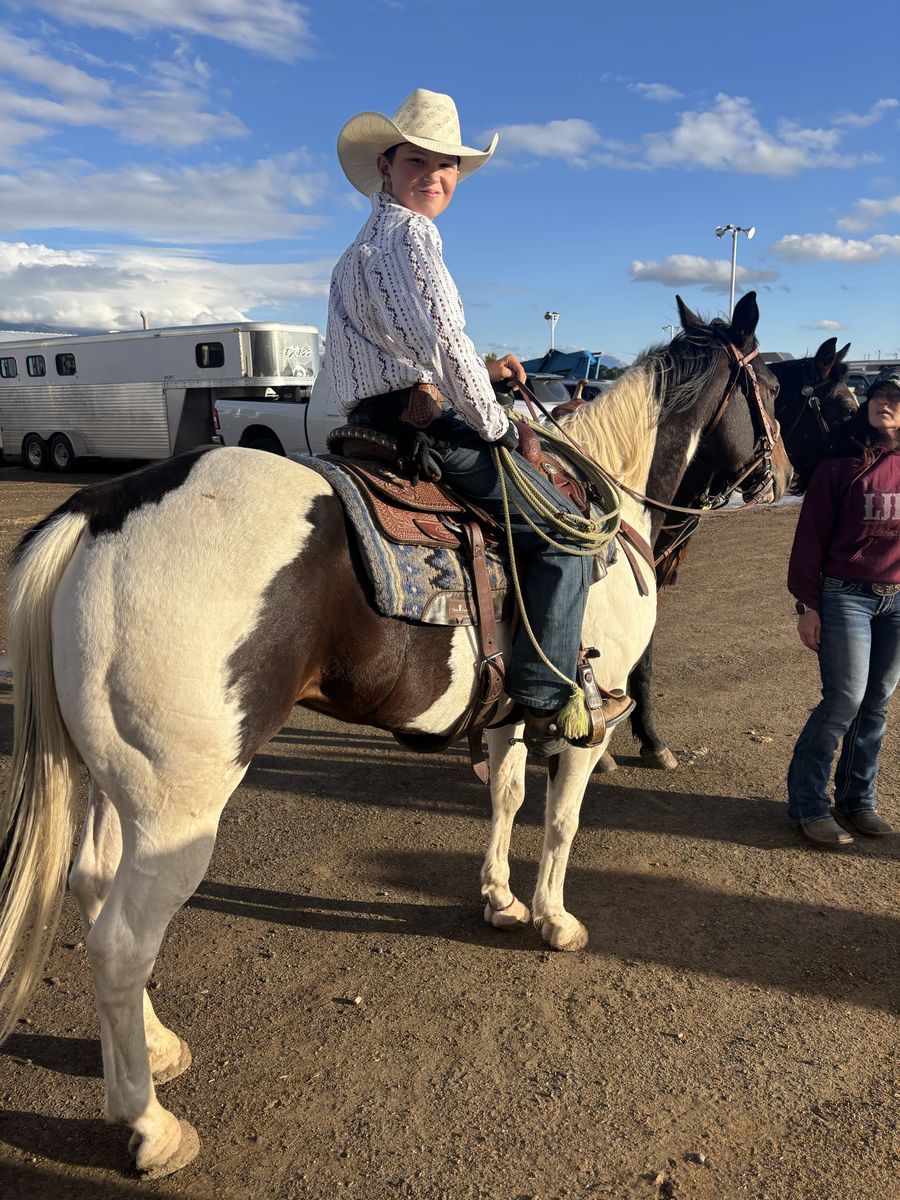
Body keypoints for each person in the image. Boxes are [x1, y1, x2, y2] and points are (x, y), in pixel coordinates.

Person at [324, 88, 630, 755]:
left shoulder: (352, 257)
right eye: (417, 163)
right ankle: (546, 694)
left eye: (447, 166)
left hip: (371, 424)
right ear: (386, 167)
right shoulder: (416, 236)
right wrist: (492, 420)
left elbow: (392, 359)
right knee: (569, 531)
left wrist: (483, 377)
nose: (433, 177)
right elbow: (447, 343)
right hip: (426, 431)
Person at [786, 365, 900, 846]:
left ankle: (858, 800)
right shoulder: (840, 465)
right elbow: (809, 538)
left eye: (895, 396)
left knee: (877, 702)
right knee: (845, 700)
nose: (885, 402)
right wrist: (806, 605)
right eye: (878, 394)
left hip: (897, 600)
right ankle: (809, 804)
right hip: (844, 596)